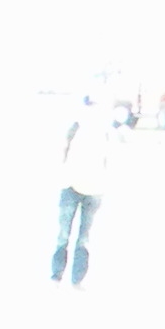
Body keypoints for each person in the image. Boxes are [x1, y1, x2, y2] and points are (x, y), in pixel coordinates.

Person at [51, 98, 112, 286]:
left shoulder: (82, 128)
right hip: (79, 186)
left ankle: (66, 277)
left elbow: (63, 153)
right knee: (75, 236)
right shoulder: (92, 129)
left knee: (73, 236)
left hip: (87, 188)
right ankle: (64, 276)